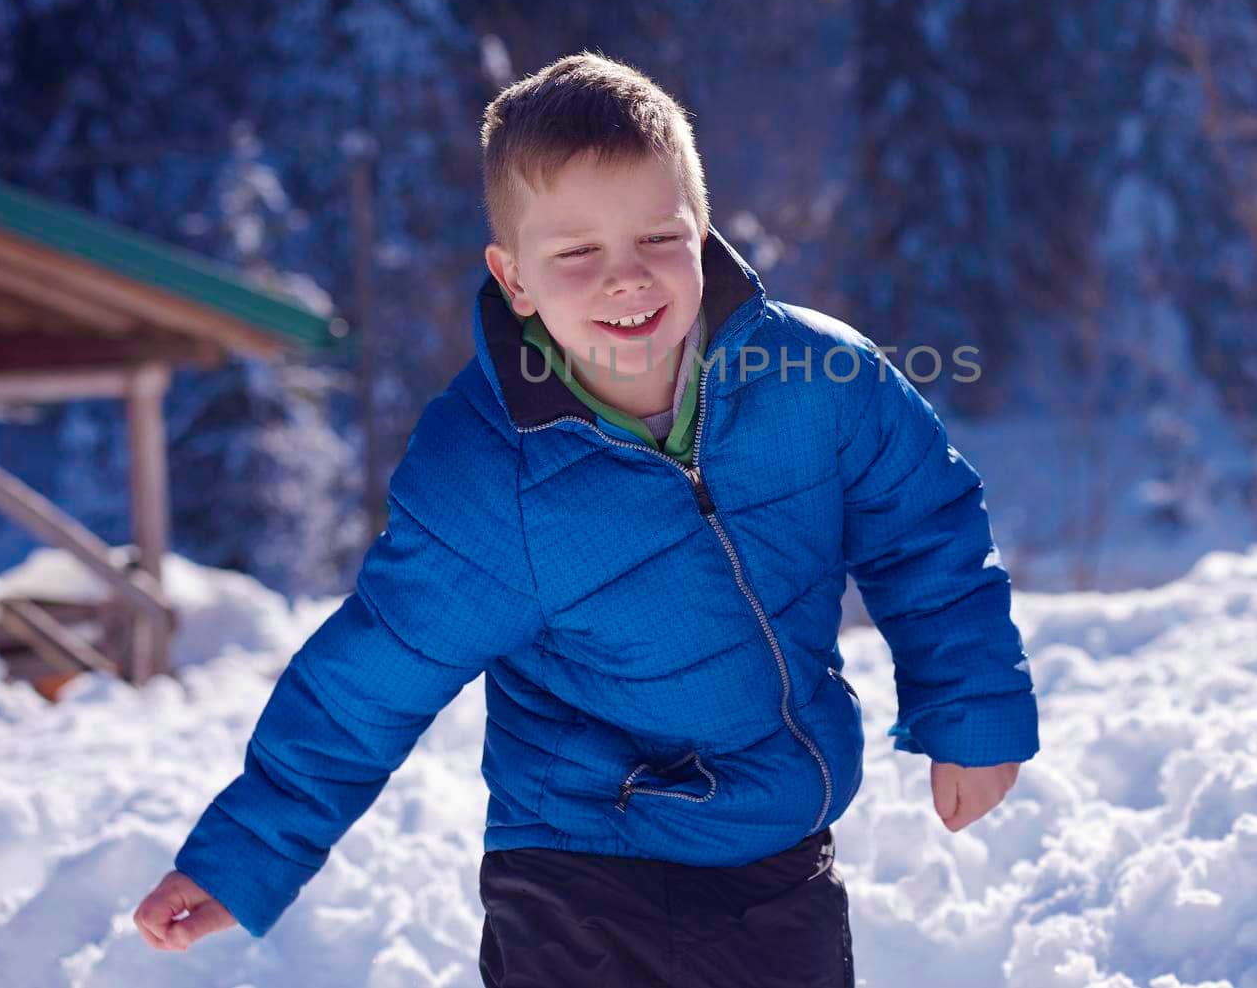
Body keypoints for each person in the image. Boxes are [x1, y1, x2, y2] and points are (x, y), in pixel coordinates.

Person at [133, 51, 1040, 985]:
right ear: (513, 276)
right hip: (576, 870)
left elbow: (928, 528)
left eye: (657, 238)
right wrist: (242, 854)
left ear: (701, 228)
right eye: (576, 253)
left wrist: (970, 705)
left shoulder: (819, 380)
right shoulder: (488, 473)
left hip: (774, 843)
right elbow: (372, 673)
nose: (627, 279)